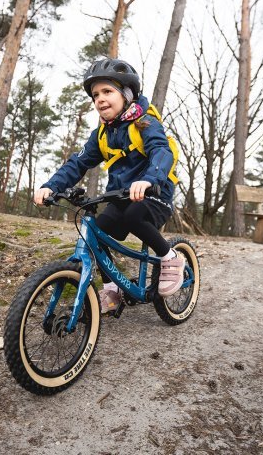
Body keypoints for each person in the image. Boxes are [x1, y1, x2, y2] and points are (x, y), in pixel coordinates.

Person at [33, 58, 184, 313]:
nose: (100, 99)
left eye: (107, 91)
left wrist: (149, 179)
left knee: (136, 217)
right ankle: (112, 290)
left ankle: (170, 257)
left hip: (154, 192)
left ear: (126, 94)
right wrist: (51, 186)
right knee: (95, 234)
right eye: (95, 95)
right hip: (120, 195)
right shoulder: (102, 134)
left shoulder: (145, 123)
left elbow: (161, 151)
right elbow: (77, 164)